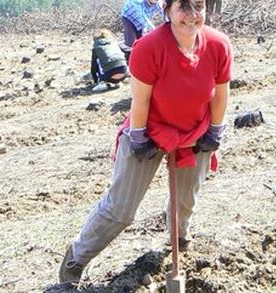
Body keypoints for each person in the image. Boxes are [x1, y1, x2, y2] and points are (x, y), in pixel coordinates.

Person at [58, 0, 232, 285]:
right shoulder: (148, 47)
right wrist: (138, 137)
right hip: (148, 129)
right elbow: (141, 100)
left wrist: (215, 131)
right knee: (121, 209)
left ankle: (179, 242)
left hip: (194, 131)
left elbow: (221, 94)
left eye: (198, 6)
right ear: (168, 10)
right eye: (183, 7)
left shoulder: (218, 45)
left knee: (185, 201)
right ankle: (75, 260)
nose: (191, 15)